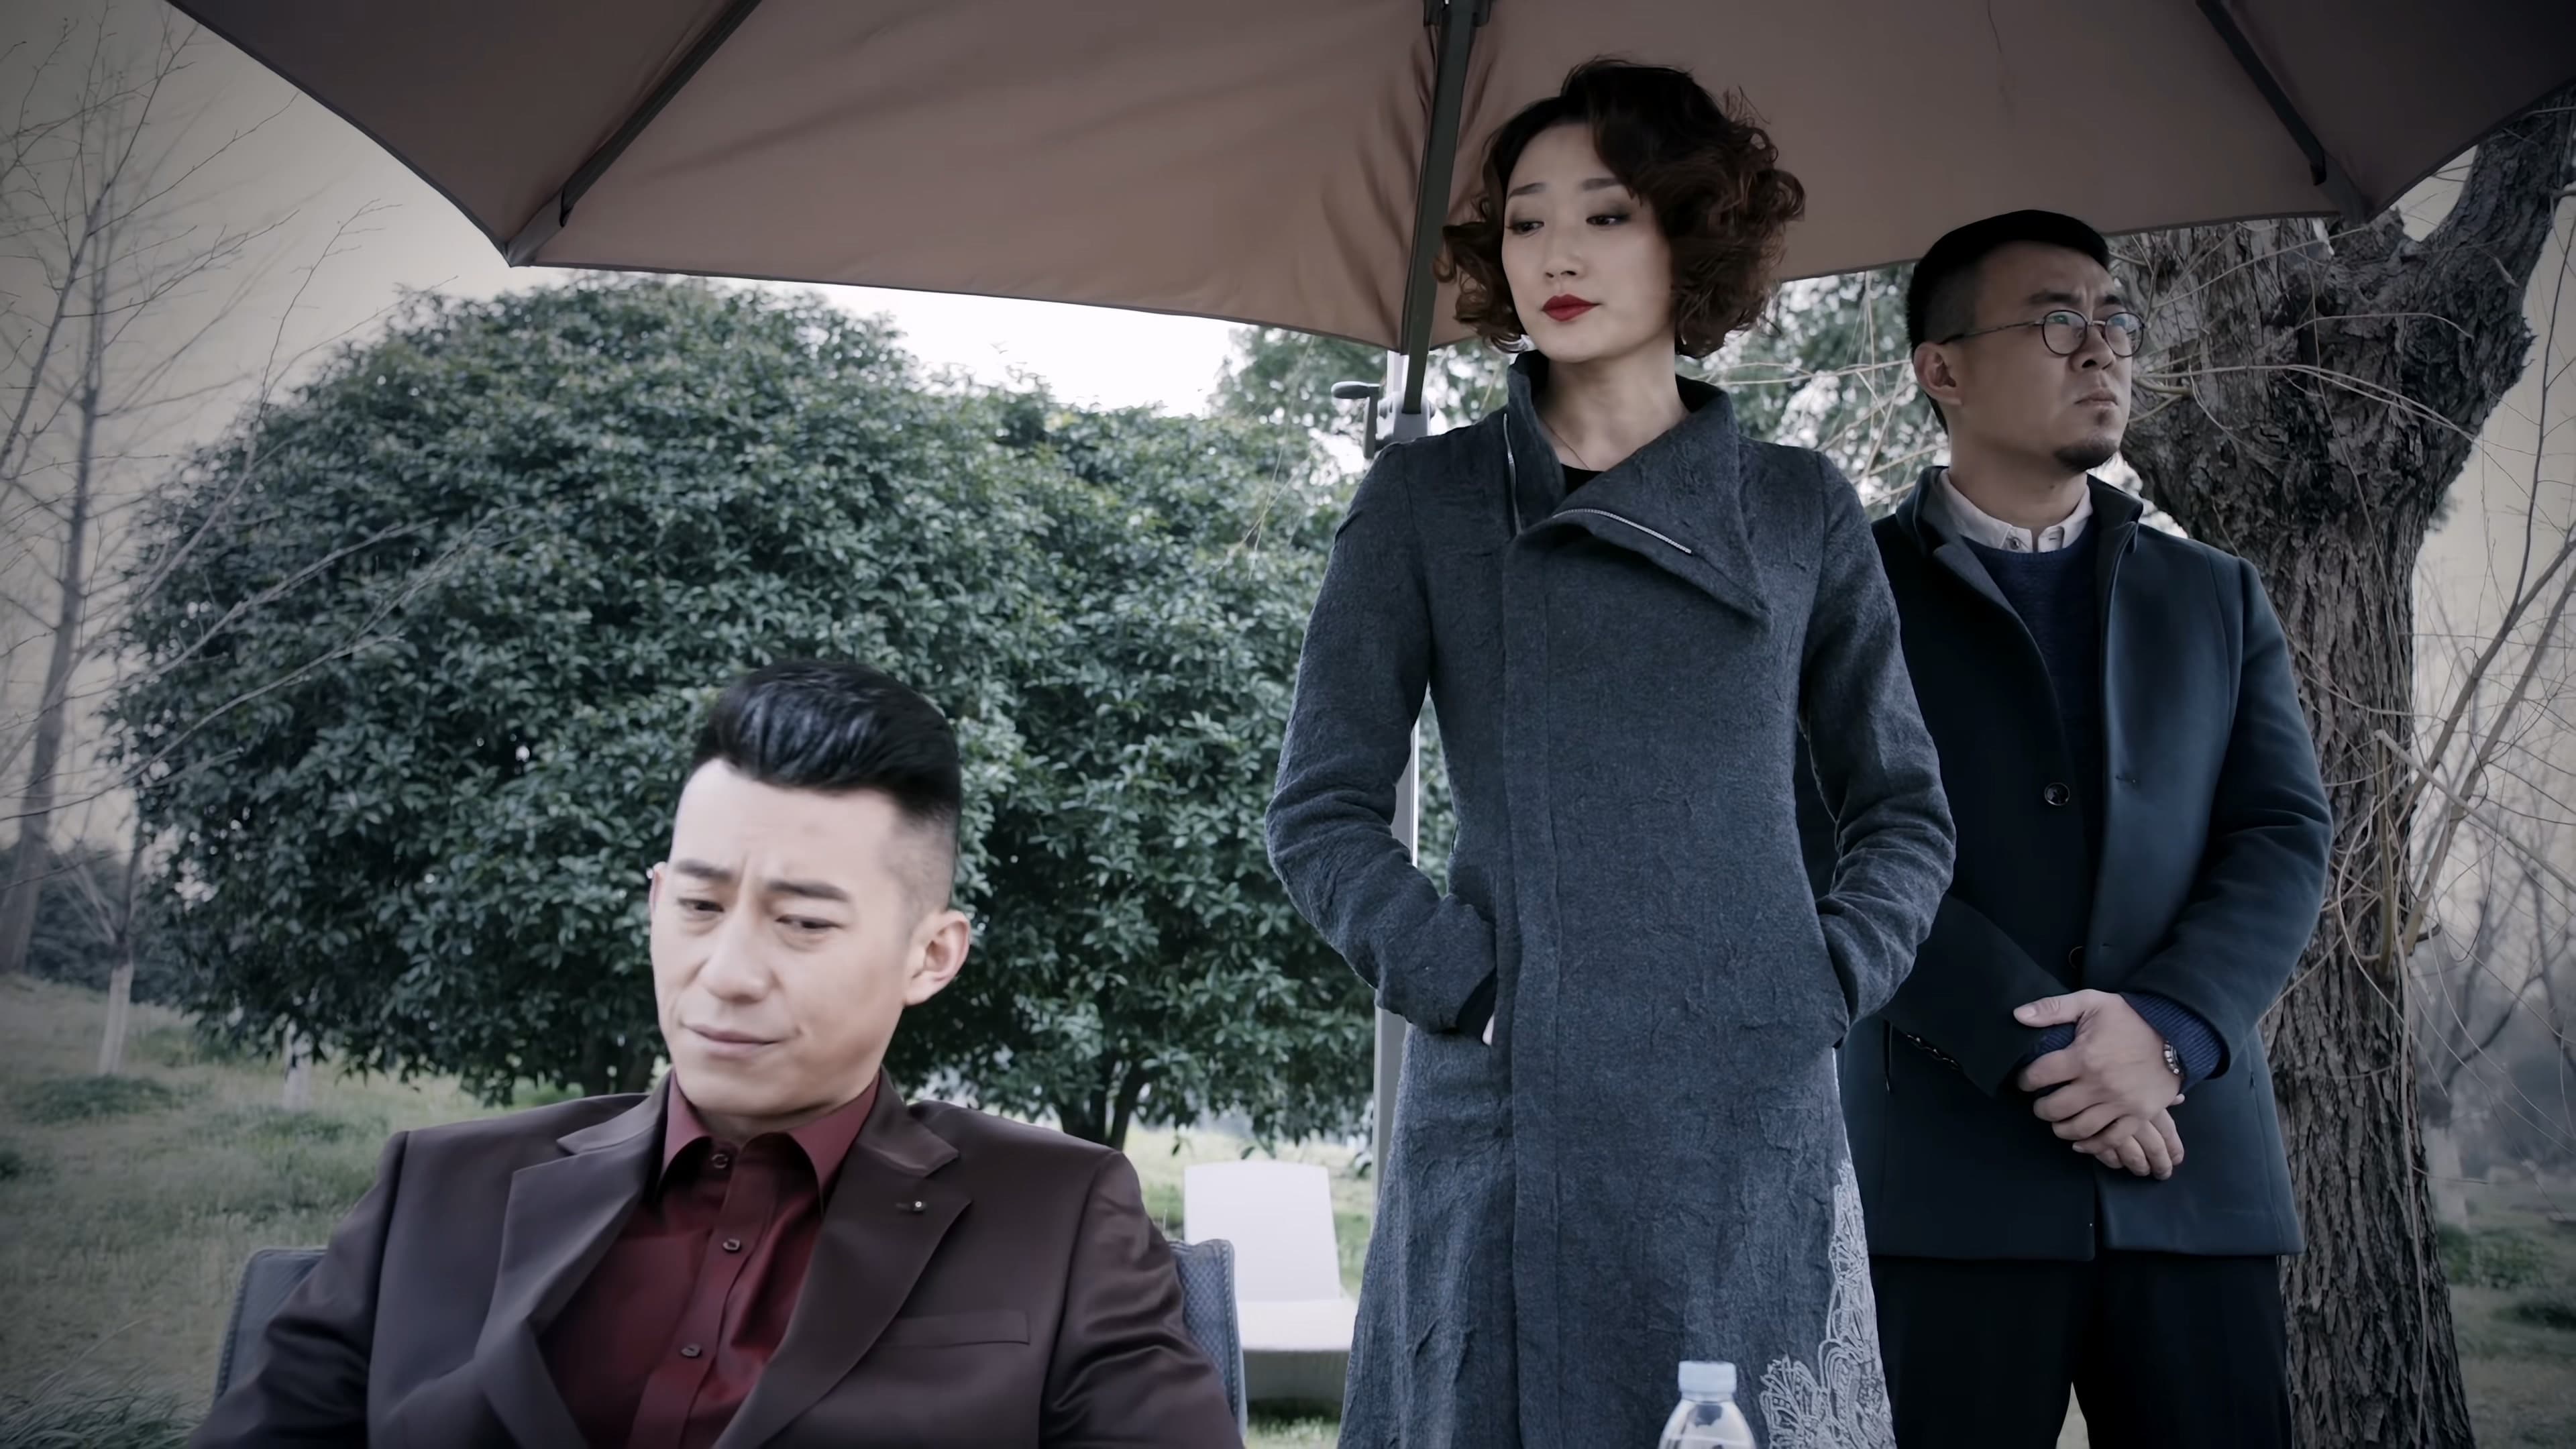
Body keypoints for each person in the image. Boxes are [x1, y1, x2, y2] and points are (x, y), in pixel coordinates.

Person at [1268, 60, 1953, 1448]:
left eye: (1606, 213)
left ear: (1691, 236)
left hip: (1743, 1105)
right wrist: (1471, 986)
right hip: (1509, 1107)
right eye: (1525, 221)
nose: (1557, 255)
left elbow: (1902, 811)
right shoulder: (1428, 500)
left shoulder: (1798, 506)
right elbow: (1321, 810)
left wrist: (1820, 982)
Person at [191, 661, 1238, 1448]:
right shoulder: (438, 1189)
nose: (727, 972)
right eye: (698, 906)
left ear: (931, 955)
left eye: (804, 923)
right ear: (656, 901)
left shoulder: (1060, 1216)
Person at [1807, 211, 2332, 1447]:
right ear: (1941, 369)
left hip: (2191, 1176)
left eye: (2115, 321)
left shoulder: (2214, 594)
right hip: (1946, 1184)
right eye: (2055, 322)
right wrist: (2056, 1056)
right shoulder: (1842, 593)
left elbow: (2280, 834)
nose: (2100, 350)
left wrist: (2169, 1032)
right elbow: (1824, 842)